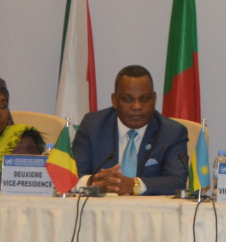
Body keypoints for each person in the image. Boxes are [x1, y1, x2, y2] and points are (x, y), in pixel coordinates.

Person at [72, 66, 189, 195]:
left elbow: (177, 181)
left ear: (154, 99)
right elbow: (70, 174)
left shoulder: (172, 133)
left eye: (144, 99)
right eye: (128, 99)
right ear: (114, 101)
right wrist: (93, 181)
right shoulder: (92, 126)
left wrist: (133, 185)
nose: (137, 106)